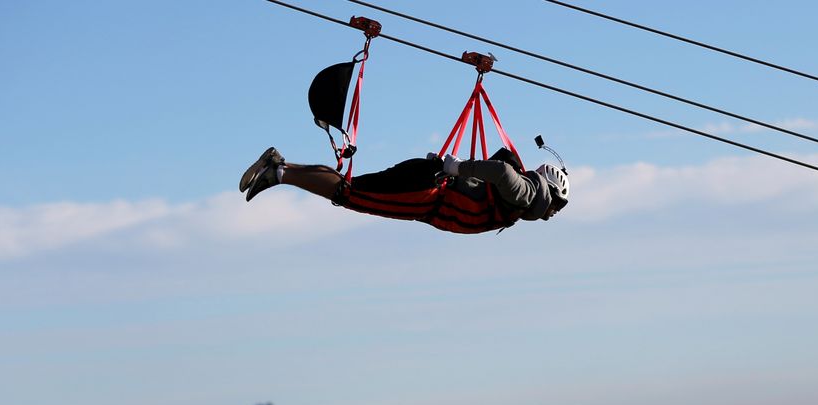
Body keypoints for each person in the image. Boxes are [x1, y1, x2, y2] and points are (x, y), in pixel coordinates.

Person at [239, 147, 570, 234]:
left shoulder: (519, 202)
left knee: (350, 189)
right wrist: (457, 168)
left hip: (426, 184)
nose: (551, 214)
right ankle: (279, 172)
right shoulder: (530, 196)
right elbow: (500, 171)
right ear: (550, 192)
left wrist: (452, 169)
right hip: (423, 194)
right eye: (557, 206)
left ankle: (280, 166)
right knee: (348, 194)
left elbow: (492, 178)